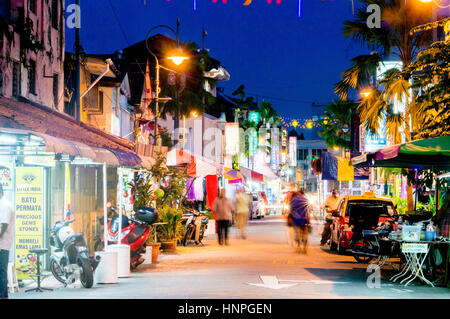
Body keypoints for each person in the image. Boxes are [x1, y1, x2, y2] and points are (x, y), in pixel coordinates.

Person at [0, 185, 14, 299]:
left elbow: (3, 225)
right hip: (3, 244)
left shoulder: (4, 205)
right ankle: (4, 296)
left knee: (1, 272)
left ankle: (2, 295)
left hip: (2, 244)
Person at [290, 189, 311, 254]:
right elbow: (309, 211)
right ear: (303, 194)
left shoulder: (294, 200)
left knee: (298, 234)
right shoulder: (306, 200)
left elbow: (291, 211)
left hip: (297, 220)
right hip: (305, 220)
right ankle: (304, 249)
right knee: (305, 235)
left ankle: (299, 248)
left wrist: (292, 217)